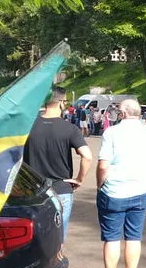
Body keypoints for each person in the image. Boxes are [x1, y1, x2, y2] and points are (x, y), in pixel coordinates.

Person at [95, 99, 146, 268]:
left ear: (123, 113)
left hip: (113, 192)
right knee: (134, 237)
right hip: (140, 192)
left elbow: (102, 165)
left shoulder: (112, 133)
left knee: (111, 238)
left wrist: (100, 185)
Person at [23, 87, 93, 242]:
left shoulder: (28, 127)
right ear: (61, 103)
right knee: (58, 235)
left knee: (31, 237)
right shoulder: (70, 129)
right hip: (60, 189)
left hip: (32, 189)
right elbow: (87, 156)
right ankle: (56, 263)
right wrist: (79, 179)